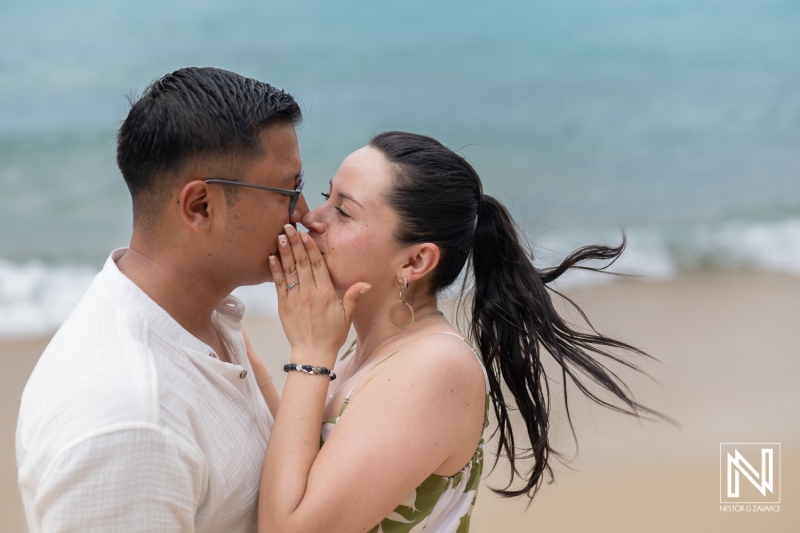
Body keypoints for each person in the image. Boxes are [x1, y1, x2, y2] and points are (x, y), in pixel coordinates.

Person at [255, 131, 669, 532]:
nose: (312, 218)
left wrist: (309, 352)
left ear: (415, 262)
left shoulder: (435, 368)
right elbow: (295, 464)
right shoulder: (371, 351)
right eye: (328, 197)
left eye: (343, 212)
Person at [16, 67, 304, 532]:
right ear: (200, 207)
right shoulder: (132, 420)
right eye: (288, 191)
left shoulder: (196, 316)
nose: (305, 212)